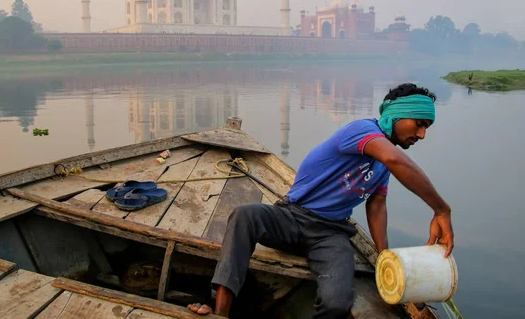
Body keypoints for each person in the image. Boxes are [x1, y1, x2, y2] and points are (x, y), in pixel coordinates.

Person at [188, 83, 454, 318]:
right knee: (244, 215)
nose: (421, 135)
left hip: (331, 233)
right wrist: (441, 209)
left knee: (336, 305)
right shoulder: (363, 130)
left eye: (426, 128)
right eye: (419, 124)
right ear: (396, 115)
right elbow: (394, 160)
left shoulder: (385, 163)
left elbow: (377, 205)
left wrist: (382, 256)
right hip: (291, 217)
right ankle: (221, 310)